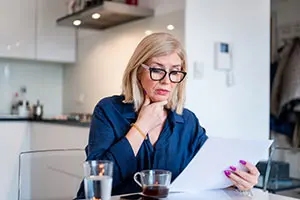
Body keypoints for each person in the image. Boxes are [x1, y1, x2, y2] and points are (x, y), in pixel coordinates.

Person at [75, 32, 259, 198]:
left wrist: (238, 182)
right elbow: (98, 179)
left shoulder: (187, 121)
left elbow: (207, 176)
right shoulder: (109, 110)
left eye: (175, 72)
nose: (166, 81)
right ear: (138, 70)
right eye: (157, 70)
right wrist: (141, 127)